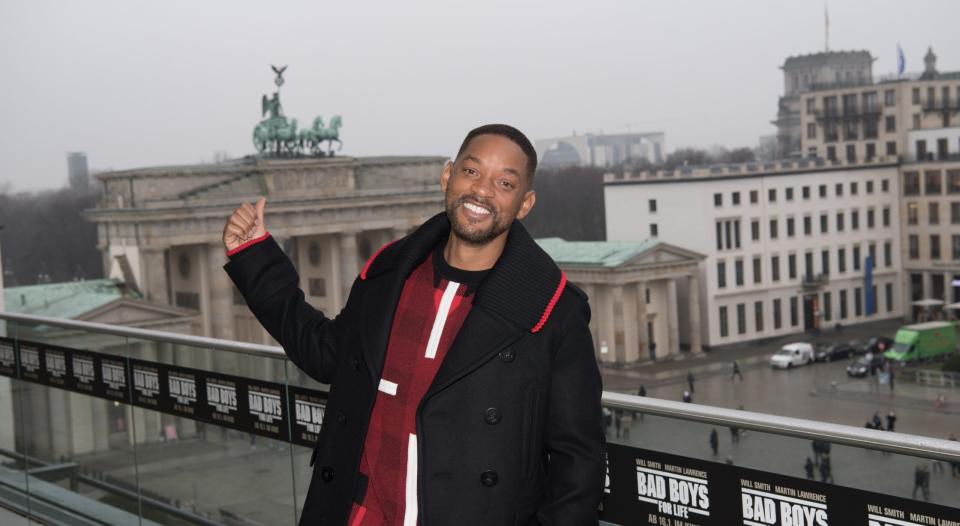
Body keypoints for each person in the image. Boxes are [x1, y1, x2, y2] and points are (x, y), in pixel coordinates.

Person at [222, 124, 604, 525]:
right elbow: (326, 354)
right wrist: (255, 258)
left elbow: (578, 464)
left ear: (524, 204)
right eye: (471, 172)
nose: (482, 191)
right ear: (447, 176)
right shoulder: (389, 275)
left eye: (504, 183)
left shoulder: (553, 311)